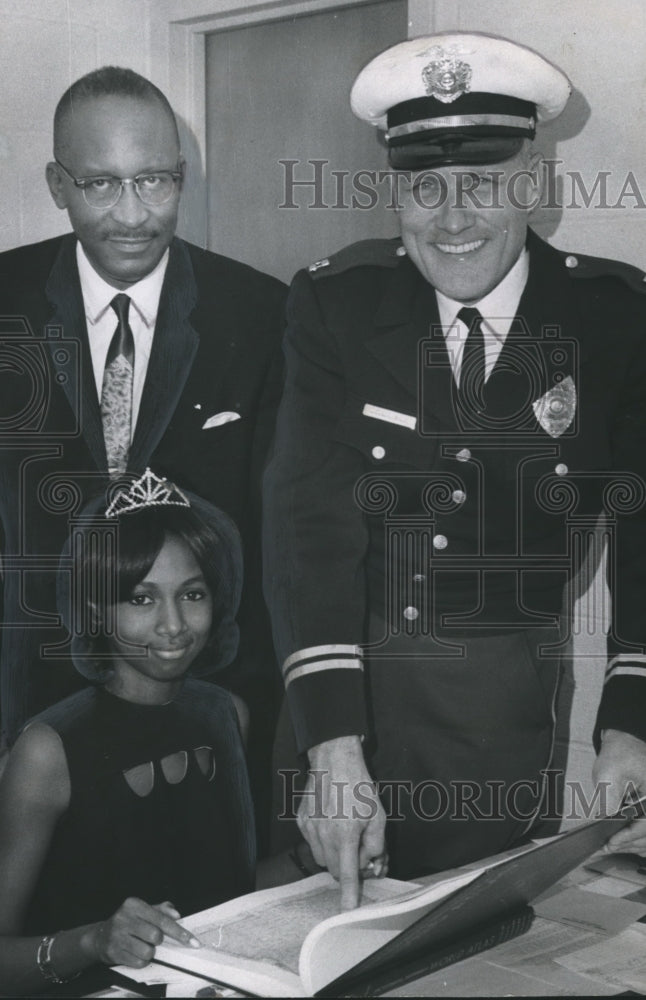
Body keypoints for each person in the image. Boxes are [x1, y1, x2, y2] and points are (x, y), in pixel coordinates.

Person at [264, 32, 646, 908]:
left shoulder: (615, 319)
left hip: (498, 720)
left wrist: (629, 728)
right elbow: (306, 524)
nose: (452, 217)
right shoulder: (336, 304)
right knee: (316, 932)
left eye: (483, 182)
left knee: (467, 937)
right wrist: (332, 746)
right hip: (342, 698)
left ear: (535, 185)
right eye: (423, 186)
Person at [0, 66, 286, 850]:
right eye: (100, 184)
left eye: (154, 181)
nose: (132, 214)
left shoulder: (261, 313)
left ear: (182, 177)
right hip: (31, 700)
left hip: (200, 701)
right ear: (57, 183)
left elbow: (276, 537)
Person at [0, 468, 255, 994]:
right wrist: (94, 940)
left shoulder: (227, 713)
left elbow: (229, 895)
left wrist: (316, 857)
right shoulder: (50, 750)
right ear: (95, 607)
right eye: (141, 598)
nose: (173, 625)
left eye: (192, 594)